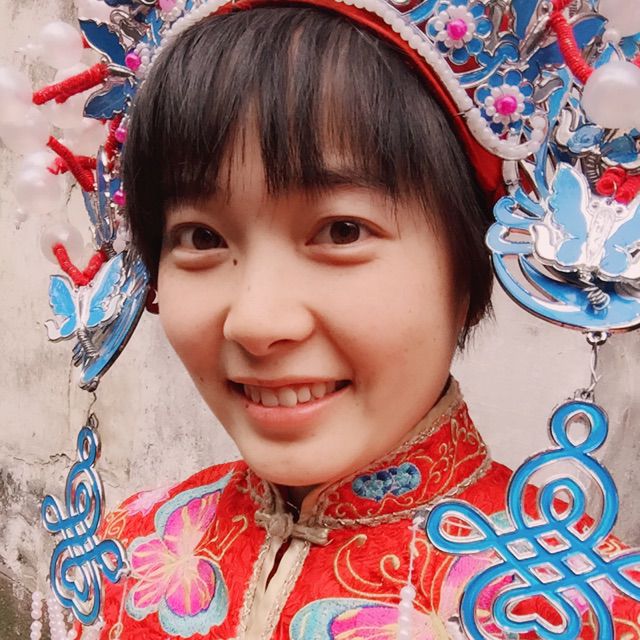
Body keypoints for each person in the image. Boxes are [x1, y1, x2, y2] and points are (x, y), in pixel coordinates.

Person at [75, 4, 639, 640]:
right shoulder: (127, 552)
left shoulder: (581, 612)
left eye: (342, 231)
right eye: (201, 237)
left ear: (470, 258)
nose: (256, 322)